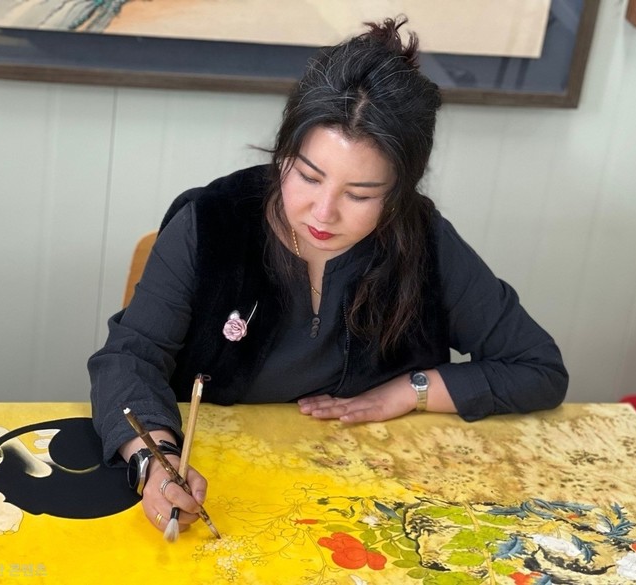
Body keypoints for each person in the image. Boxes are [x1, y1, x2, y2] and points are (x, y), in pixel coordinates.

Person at [89, 16, 568, 534]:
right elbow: (129, 359)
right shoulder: (212, 222)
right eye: (308, 176)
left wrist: (411, 390)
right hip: (224, 488)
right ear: (283, 153)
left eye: (359, 195)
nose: (323, 213)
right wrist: (155, 461)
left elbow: (537, 368)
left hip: (370, 501)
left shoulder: (423, 239)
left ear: (399, 192)